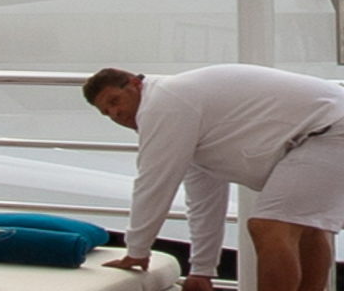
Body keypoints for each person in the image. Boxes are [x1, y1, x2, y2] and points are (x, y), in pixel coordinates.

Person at [82, 64, 344, 291]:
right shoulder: (185, 116)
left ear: (135, 84)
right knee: (305, 227)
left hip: (330, 128)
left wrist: (136, 251)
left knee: (269, 226)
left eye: (115, 101)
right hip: (327, 127)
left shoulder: (163, 103)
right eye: (106, 113)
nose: (115, 114)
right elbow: (204, 199)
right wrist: (202, 270)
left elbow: (153, 185)